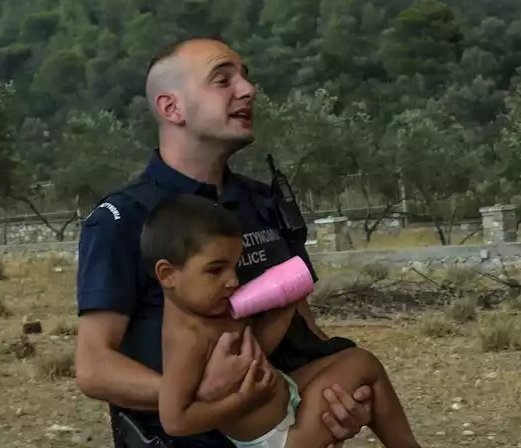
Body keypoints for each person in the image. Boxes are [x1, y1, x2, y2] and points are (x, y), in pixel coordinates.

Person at [74, 37, 398, 447]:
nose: (248, 90)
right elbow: (94, 367)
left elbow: (304, 328)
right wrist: (196, 394)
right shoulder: (124, 219)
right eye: (222, 80)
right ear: (171, 108)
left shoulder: (262, 203)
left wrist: (338, 401)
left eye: (245, 77)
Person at [145, 194, 421, 448]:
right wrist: (241, 401)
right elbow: (175, 421)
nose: (232, 280)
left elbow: (256, 349)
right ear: (168, 274)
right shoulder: (187, 336)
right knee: (364, 365)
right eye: (216, 270)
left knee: (354, 358)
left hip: (285, 394)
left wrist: (286, 307)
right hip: (282, 438)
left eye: (234, 266)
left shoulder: (209, 311)